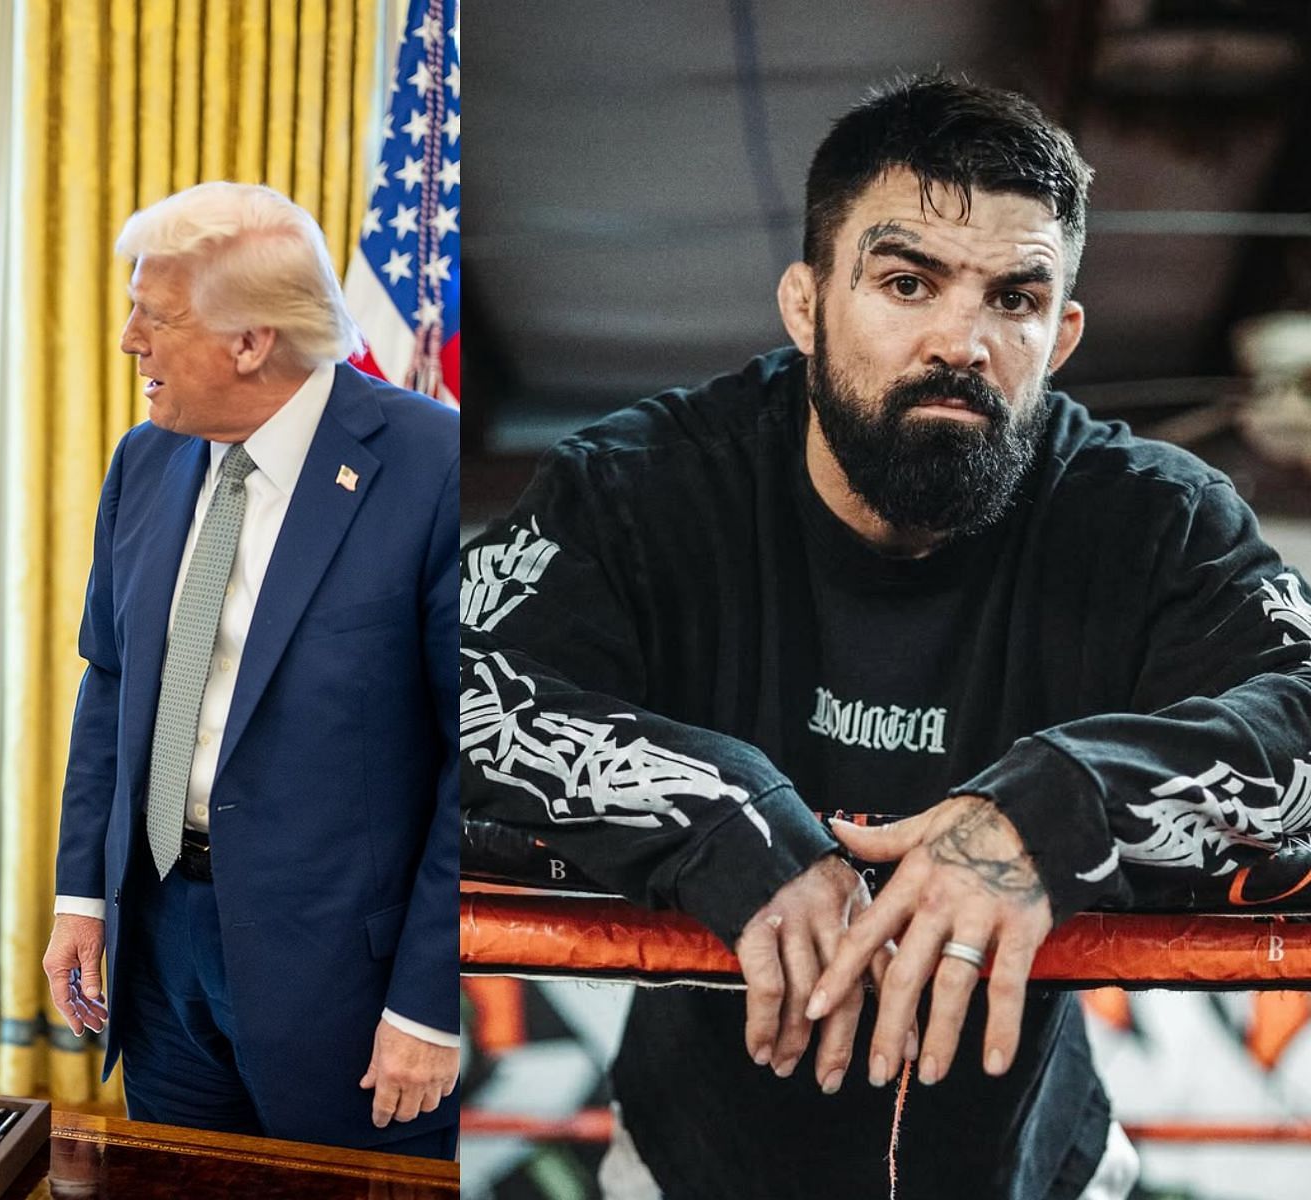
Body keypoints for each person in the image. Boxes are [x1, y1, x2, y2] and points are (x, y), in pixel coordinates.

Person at [460, 75, 1311, 1199]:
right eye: (908, 281)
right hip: (687, 1165)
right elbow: (439, 681)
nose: (962, 339)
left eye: (1014, 298)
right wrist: (722, 815)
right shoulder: (640, 491)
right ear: (806, 304)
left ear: (1061, 336)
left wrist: (1053, 809)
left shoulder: (1152, 520)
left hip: (1036, 1171)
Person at [41, 181, 459, 1157]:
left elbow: (470, 765)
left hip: (345, 985)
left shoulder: (431, 469)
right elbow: (109, 683)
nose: (129, 339)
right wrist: (82, 899)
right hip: (159, 954)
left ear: (250, 340)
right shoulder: (145, 460)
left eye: (155, 313)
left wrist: (431, 1006)